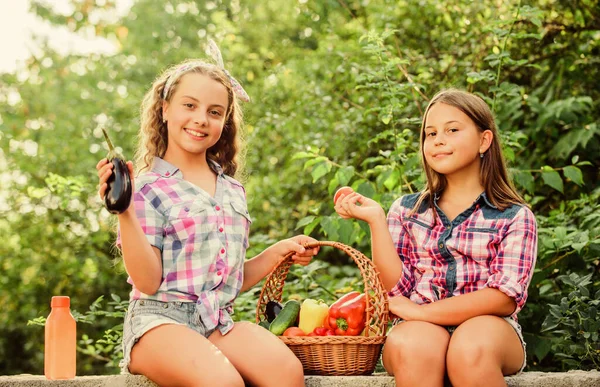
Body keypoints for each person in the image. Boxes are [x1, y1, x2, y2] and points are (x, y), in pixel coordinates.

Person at [96, 40, 318, 387]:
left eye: (215, 112)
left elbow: (225, 281)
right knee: (223, 382)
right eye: (190, 105)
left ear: (225, 120)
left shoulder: (232, 191)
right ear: (165, 108)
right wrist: (124, 212)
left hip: (215, 322)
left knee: (286, 372)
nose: (201, 119)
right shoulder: (146, 188)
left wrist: (280, 251)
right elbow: (147, 281)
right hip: (158, 325)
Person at [334, 89, 537, 387]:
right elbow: (395, 289)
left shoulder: (514, 216)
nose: (438, 140)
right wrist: (376, 221)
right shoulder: (406, 211)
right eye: (431, 133)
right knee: (415, 349)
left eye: (452, 130)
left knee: (470, 350)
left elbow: (503, 298)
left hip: (491, 328)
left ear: (484, 140)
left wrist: (421, 311)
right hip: (417, 328)